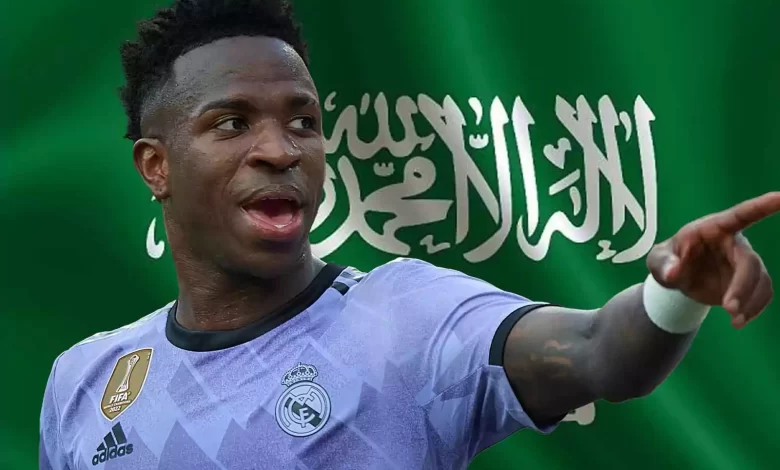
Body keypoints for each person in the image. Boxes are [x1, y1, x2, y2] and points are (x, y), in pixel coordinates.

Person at [39, 0, 778, 469]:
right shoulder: (85, 381)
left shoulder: (407, 321)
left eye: (303, 121)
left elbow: (599, 351)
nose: (281, 150)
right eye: (233, 123)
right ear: (156, 165)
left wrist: (673, 297)